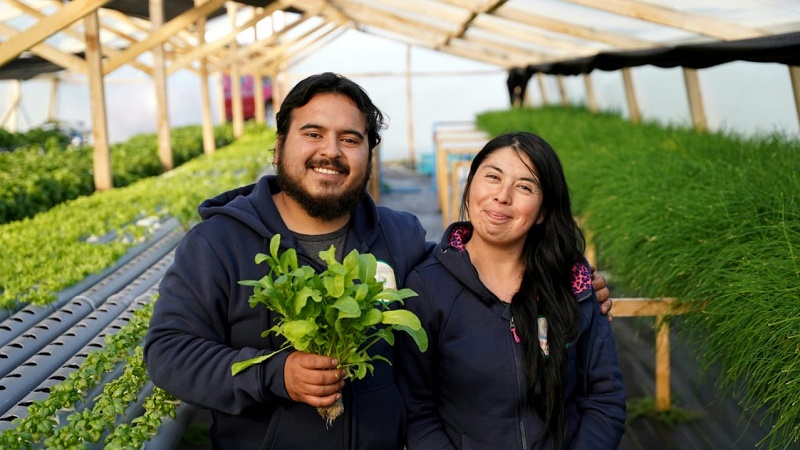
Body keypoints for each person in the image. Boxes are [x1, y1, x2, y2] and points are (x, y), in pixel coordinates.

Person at [144, 72, 613, 449]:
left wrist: (564, 284)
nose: (330, 150)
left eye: (351, 138)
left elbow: (467, 283)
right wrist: (276, 374)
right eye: (313, 133)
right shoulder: (218, 243)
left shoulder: (401, 235)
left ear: (370, 155)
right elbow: (168, 352)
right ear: (279, 144)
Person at [396, 131, 626, 449]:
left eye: (524, 186)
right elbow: (418, 413)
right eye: (492, 177)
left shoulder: (573, 282)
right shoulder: (429, 288)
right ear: (470, 184)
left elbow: (604, 399)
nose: (503, 196)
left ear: (543, 211)